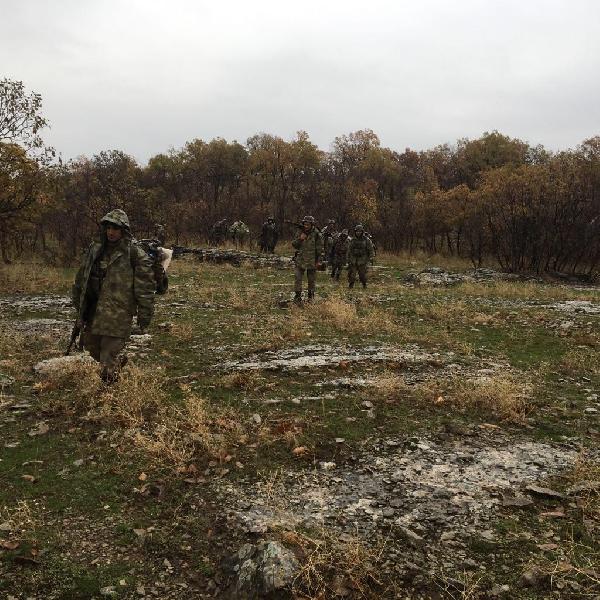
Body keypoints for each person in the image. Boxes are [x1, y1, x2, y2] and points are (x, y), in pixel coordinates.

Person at [72, 209, 155, 383]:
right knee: (92, 347)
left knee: (107, 355)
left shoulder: (134, 254)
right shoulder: (95, 250)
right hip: (95, 311)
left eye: (115, 228)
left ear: (123, 230)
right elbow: (81, 278)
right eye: (109, 227)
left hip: (119, 313)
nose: (111, 232)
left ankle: (109, 396)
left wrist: (144, 314)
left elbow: (145, 288)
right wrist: (79, 304)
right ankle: (114, 368)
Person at [292, 215, 323, 303]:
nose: (306, 226)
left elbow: (320, 249)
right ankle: (297, 296)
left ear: (312, 225)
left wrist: (319, 261)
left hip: (312, 261)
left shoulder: (317, 234)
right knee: (298, 278)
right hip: (300, 260)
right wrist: (300, 239)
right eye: (305, 224)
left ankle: (311, 296)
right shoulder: (300, 232)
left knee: (311, 280)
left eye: (308, 224)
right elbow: (294, 244)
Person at [347, 224, 375, 289]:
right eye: (357, 231)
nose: (358, 233)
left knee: (362, 275)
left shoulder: (366, 240)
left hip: (362, 259)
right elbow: (349, 250)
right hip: (353, 259)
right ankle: (351, 285)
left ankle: (364, 284)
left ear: (362, 232)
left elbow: (370, 249)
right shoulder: (352, 240)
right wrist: (348, 259)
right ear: (355, 232)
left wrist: (371, 257)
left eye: (360, 231)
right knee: (352, 274)